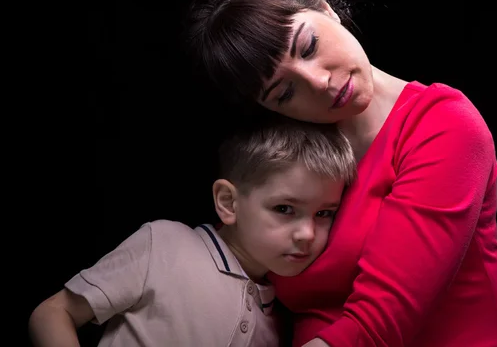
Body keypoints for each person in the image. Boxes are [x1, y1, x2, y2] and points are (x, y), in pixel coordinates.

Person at [184, 0, 497, 347]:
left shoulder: (444, 125)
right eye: (285, 92)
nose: (320, 82)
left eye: (308, 46)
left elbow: (381, 322)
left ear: (323, 5)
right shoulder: (287, 158)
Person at [28, 112, 356, 347]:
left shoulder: (283, 316)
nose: (307, 234)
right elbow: (53, 313)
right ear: (228, 202)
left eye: (324, 213)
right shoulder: (165, 244)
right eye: (285, 209)